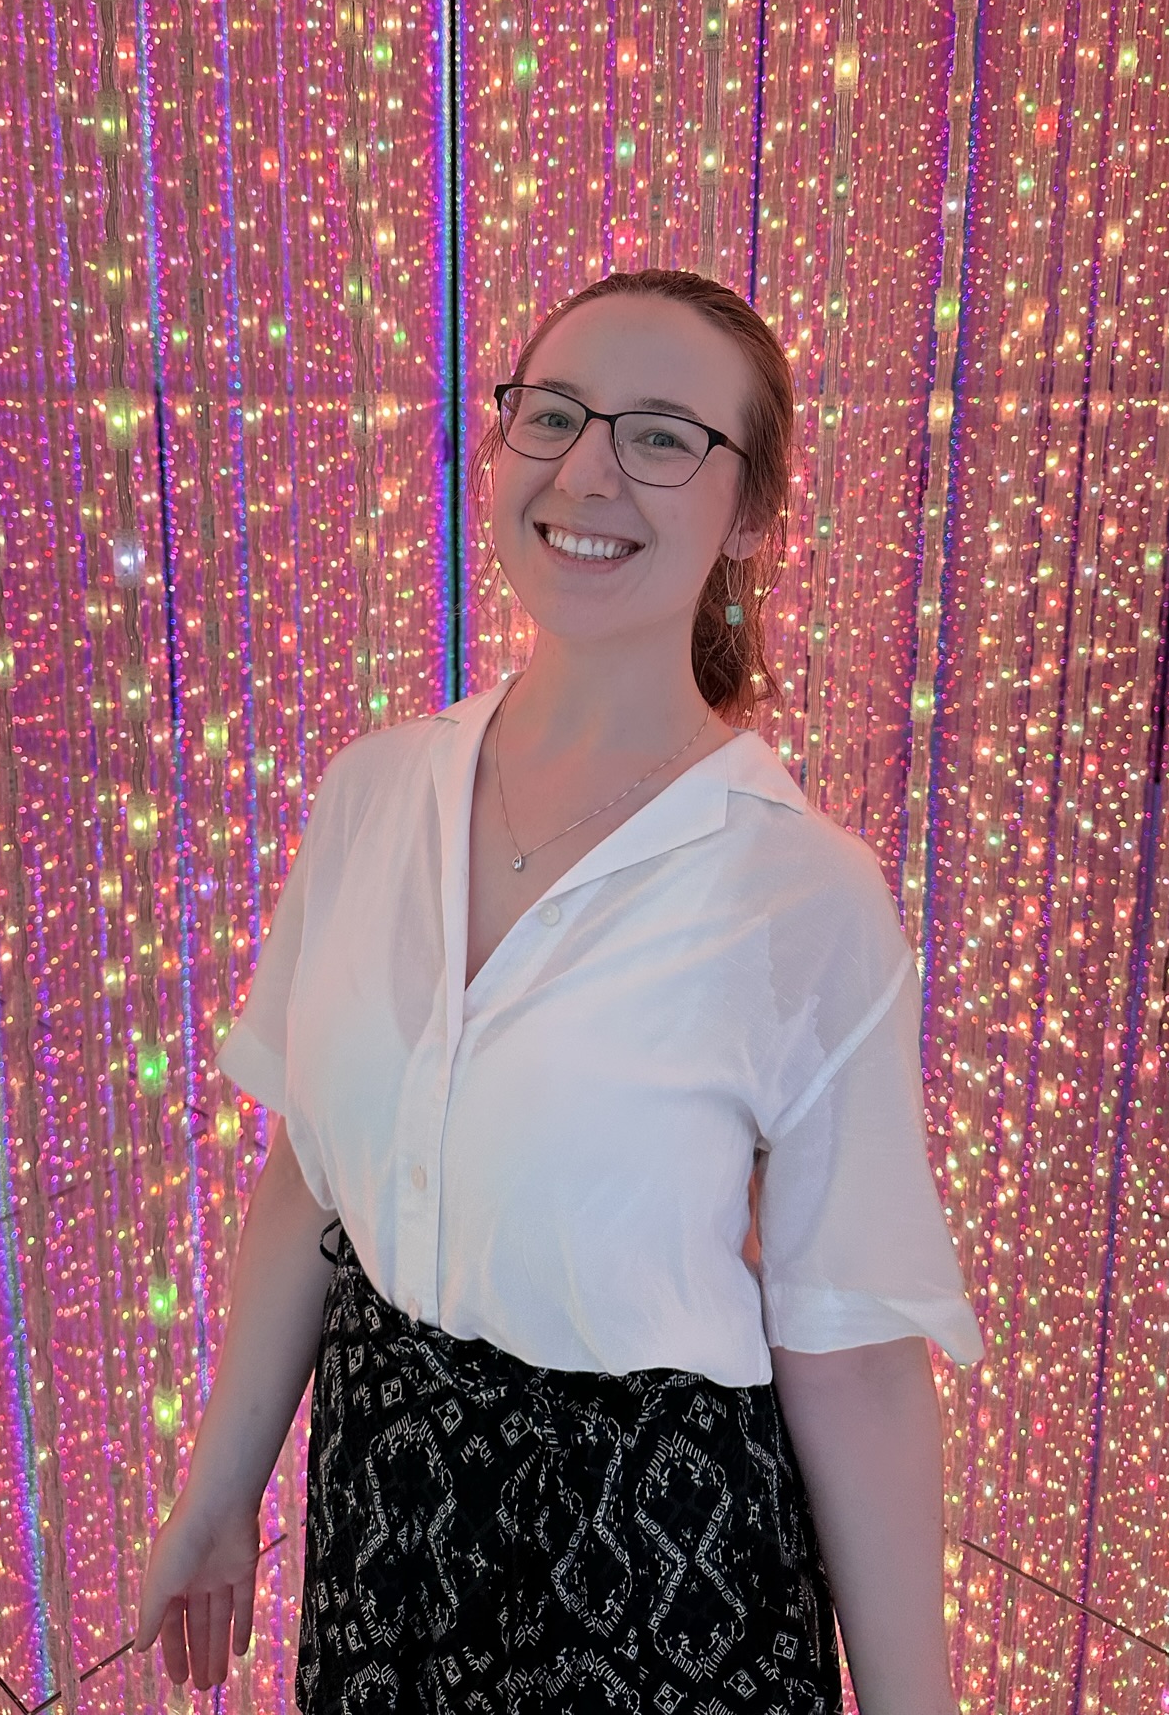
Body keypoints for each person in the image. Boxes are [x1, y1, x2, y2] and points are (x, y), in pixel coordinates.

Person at [135, 267, 985, 1713]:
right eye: (558, 413)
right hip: (386, 1506)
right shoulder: (373, 794)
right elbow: (313, 1173)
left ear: (748, 520)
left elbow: (849, 1352)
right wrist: (221, 1494)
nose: (591, 469)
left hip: (652, 1555)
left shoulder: (801, 896)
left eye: (664, 435)